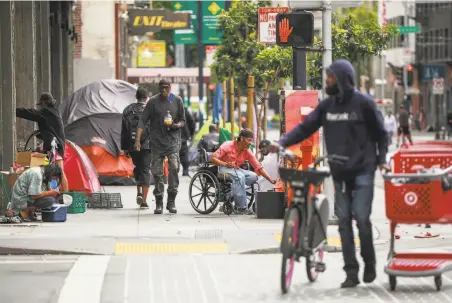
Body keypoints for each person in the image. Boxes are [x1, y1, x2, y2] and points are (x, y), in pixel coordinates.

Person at [271, 59, 389, 288]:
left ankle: (370, 262)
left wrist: (382, 159)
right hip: (340, 171)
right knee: (344, 221)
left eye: (331, 77)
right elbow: (306, 127)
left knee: (362, 219)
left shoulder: (363, 103)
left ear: (343, 79)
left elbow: (382, 134)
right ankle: (351, 272)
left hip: (364, 168)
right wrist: (283, 142)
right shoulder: (327, 106)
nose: (327, 81)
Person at [135, 80, 185, 214]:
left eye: (166, 88)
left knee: (174, 169)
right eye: (162, 88)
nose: (164, 90)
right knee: (157, 174)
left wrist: (176, 125)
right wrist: (137, 140)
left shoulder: (177, 100)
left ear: (170, 88)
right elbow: (142, 120)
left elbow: (182, 120)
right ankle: (159, 202)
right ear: (159, 88)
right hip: (156, 143)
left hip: (173, 142)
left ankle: (171, 201)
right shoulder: (152, 101)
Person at [211, 129, 276, 215]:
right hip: (223, 168)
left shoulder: (247, 151)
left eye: (251, 140)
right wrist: (225, 164)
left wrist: (270, 180)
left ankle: (234, 192)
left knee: (254, 176)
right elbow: (213, 158)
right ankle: (240, 207)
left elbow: (258, 167)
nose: (250, 143)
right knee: (240, 176)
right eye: (249, 140)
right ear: (241, 139)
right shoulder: (228, 145)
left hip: (236, 169)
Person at [16, 92, 69, 191]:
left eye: (41, 105)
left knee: (60, 173)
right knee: (56, 173)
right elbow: (51, 129)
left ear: (44, 103)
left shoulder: (46, 112)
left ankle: (66, 195)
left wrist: (14, 110)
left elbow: (30, 113)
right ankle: (62, 195)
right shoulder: (54, 112)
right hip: (57, 146)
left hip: (54, 148)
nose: (40, 107)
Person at [121, 87, 151, 208]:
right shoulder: (150, 110)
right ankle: (143, 200)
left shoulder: (128, 110)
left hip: (132, 145)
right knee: (145, 170)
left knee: (137, 168)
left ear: (136, 97)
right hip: (147, 145)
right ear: (146, 97)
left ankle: (138, 192)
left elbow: (123, 130)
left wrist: (125, 148)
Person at [180, 107, 196, 176]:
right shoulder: (184, 110)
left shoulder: (168, 107)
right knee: (184, 153)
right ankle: (185, 170)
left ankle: (172, 172)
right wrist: (191, 133)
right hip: (183, 136)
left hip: (172, 136)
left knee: (172, 153)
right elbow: (192, 122)